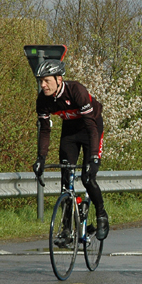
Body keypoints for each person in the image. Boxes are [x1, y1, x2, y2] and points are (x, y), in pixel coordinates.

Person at [32, 59, 109, 241]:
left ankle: (101, 215)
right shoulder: (43, 99)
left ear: (59, 79)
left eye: (47, 80)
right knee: (66, 180)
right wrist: (41, 158)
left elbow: (91, 127)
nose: (43, 85)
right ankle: (66, 230)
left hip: (91, 128)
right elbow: (44, 130)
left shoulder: (76, 91)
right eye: (40, 81)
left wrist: (93, 157)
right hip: (70, 131)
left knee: (87, 178)